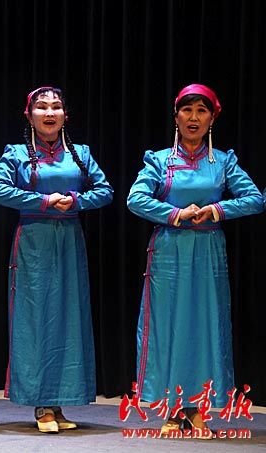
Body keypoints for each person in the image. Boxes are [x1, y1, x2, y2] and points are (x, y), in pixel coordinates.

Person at [127, 84, 263, 437]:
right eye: (187, 110)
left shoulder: (223, 162)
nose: (193, 117)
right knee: (168, 327)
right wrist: (176, 213)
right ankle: (172, 409)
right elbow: (136, 199)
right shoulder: (159, 160)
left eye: (202, 110)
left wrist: (216, 210)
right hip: (169, 251)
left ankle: (196, 408)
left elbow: (254, 199)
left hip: (207, 252)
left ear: (212, 118)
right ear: (176, 116)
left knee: (203, 327)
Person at [0, 87, 113, 433]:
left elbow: (105, 191)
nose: (49, 113)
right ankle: (41, 403)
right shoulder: (16, 153)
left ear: (65, 116)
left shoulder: (79, 153)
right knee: (36, 319)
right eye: (42, 107)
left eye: (56, 107)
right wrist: (43, 201)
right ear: (29, 116)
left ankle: (59, 402)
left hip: (69, 239)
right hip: (34, 241)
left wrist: (75, 200)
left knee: (68, 319)